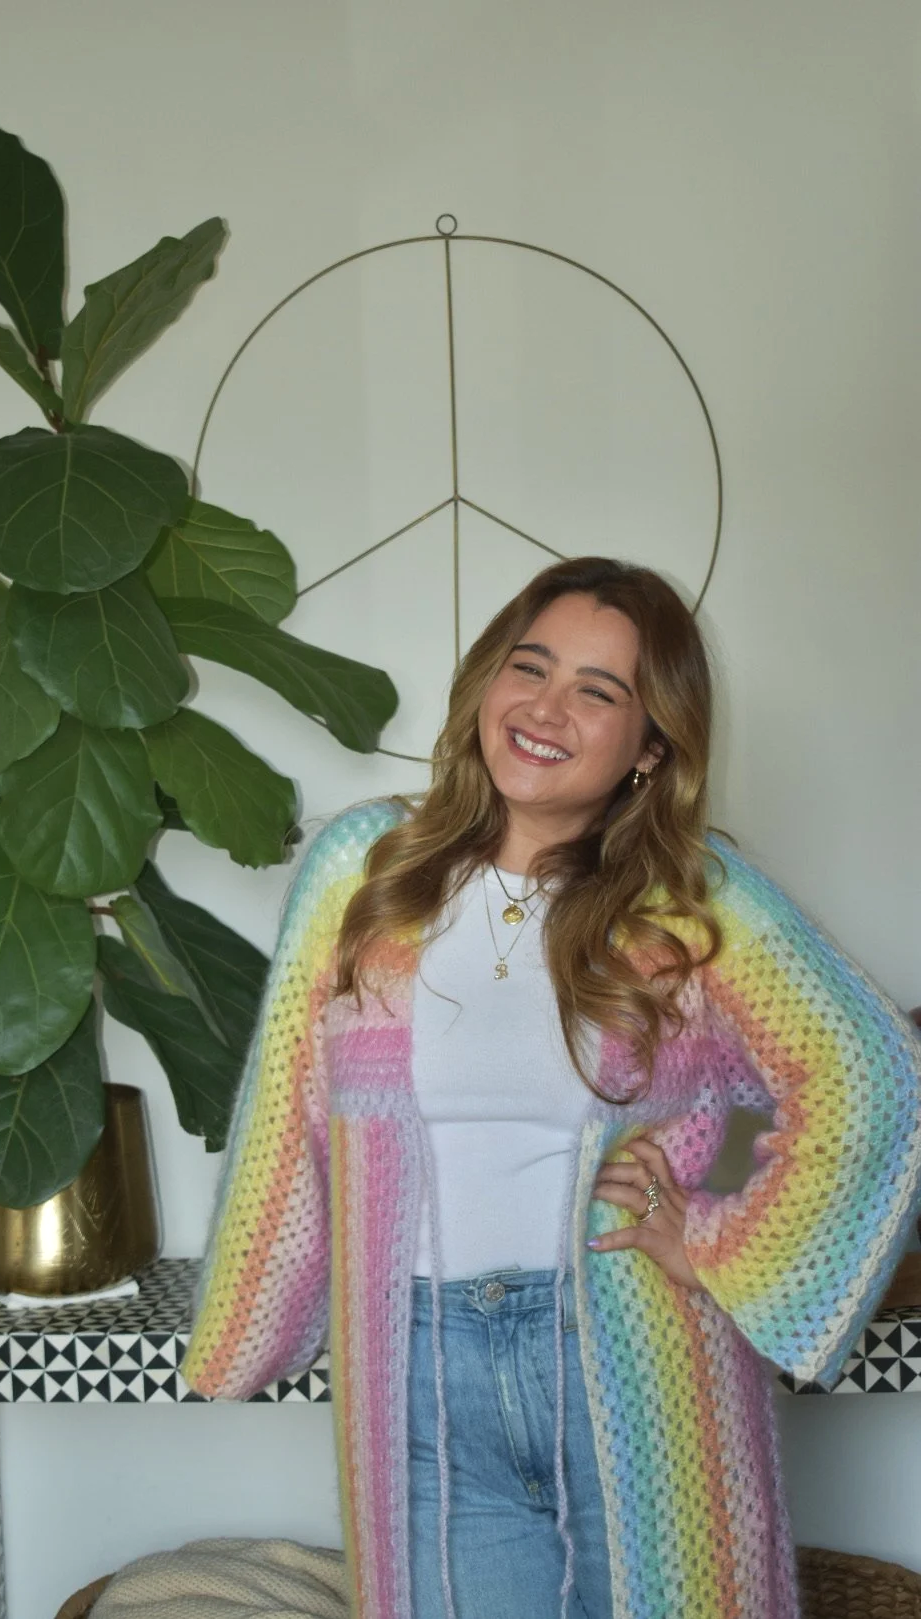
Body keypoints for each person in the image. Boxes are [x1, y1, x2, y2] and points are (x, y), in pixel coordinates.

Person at [182, 556, 921, 1619]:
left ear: (650, 745)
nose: (545, 706)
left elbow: (850, 1074)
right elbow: (284, 1108)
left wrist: (710, 1217)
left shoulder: (696, 896)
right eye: (529, 667)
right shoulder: (365, 868)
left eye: (597, 689)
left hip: (633, 1353)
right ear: (486, 682)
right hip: (422, 1367)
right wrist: (248, 1319)